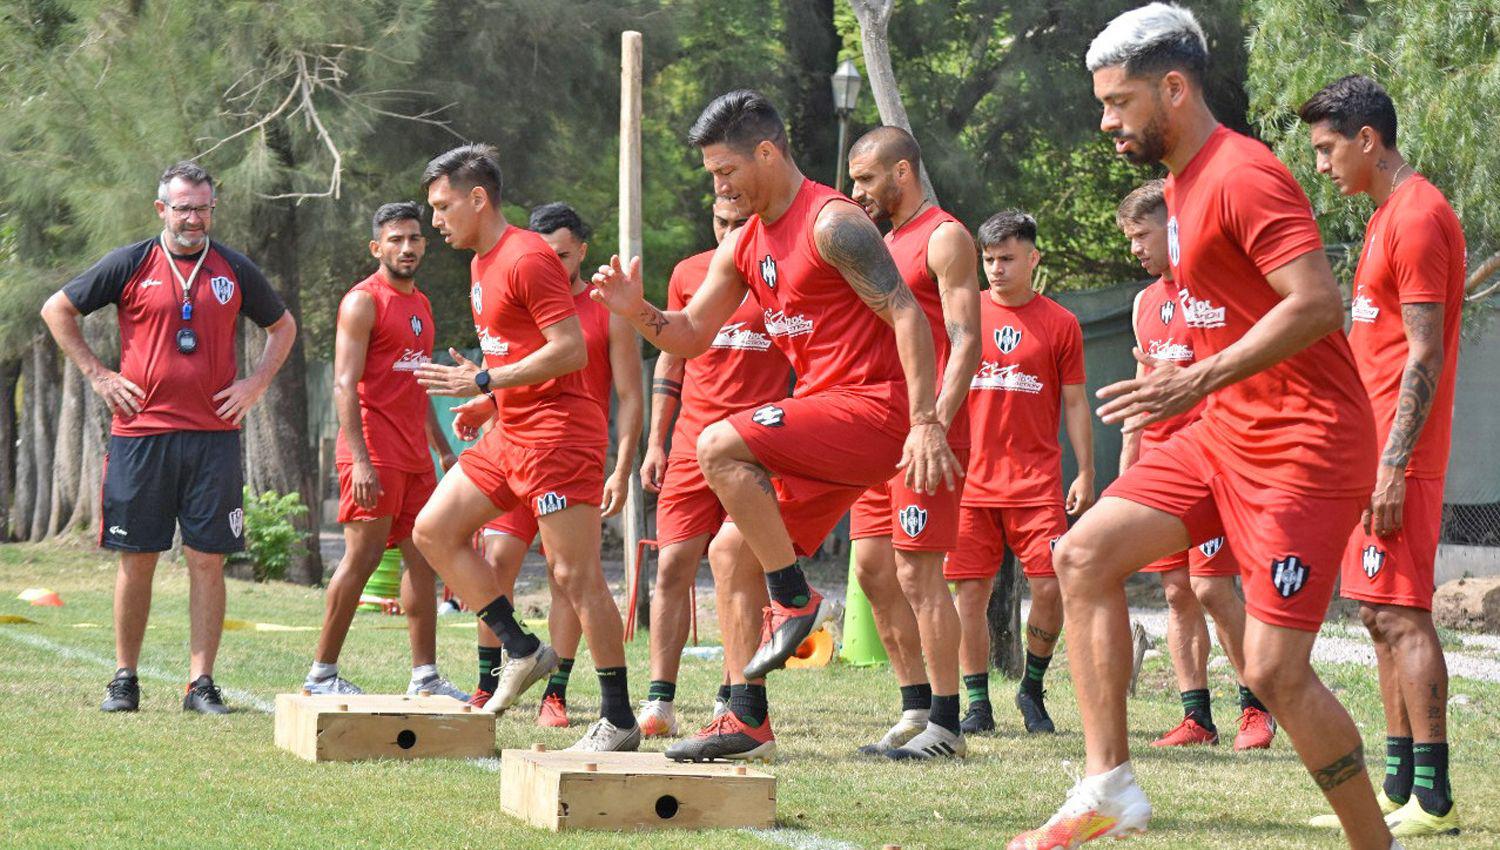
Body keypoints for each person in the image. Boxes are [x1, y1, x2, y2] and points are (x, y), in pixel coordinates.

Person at [1008, 6, 1392, 848]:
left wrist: (1198, 379)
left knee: (1273, 672)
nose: (1107, 122)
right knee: (1081, 553)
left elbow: (1319, 304)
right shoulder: (1178, 185)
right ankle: (1108, 784)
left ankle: (1376, 843)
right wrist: (1192, 389)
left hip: (1305, 447)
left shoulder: (1244, 175)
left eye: (1119, 102)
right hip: (1222, 434)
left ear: (1173, 89)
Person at [590, 90, 960, 762]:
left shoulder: (832, 222)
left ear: (767, 152)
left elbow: (908, 314)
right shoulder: (744, 246)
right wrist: (635, 307)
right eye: (712, 177)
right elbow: (691, 333)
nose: (720, 186)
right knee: (730, 552)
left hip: (878, 411)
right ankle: (746, 719)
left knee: (717, 442)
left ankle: (794, 599)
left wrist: (928, 421)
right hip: (827, 421)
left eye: (726, 171)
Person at [39, 161, 296, 715]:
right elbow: (57, 308)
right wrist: (99, 375)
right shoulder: (131, 262)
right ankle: (124, 678)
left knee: (208, 560)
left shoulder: (232, 267)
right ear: (163, 209)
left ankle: (200, 685)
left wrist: (254, 385)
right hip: (142, 434)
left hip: (213, 438)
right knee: (139, 557)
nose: (194, 217)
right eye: (183, 207)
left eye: (203, 207)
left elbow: (283, 327)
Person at [410, 144, 639, 752]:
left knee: (576, 574)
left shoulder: (528, 256)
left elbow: (570, 350)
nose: (436, 221)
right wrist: (490, 399)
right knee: (433, 529)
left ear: (478, 198)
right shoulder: (481, 263)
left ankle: (618, 718)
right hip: (511, 429)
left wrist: (485, 380)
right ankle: (519, 647)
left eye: (443, 206)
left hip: (559, 434)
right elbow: (521, 352)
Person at [1299, 74, 1464, 838]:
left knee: (1403, 616)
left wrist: (1394, 464)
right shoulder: (1382, 217)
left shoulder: (1421, 216)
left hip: (1403, 459)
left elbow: (1423, 353)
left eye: (1329, 150)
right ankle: (1399, 783)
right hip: (1371, 454)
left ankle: (1432, 798)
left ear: (1369, 140)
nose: (1322, 166)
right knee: (1375, 615)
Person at [468, 202, 644, 729]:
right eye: (544, 254)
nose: (552, 263)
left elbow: (631, 395)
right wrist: (485, 403)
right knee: (495, 559)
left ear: (582, 252)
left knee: (568, 575)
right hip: (512, 445)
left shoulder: (604, 307)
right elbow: (501, 367)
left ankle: (558, 692)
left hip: (568, 452)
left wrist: (623, 467)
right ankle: (488, 679)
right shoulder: (518, 286)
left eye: (563, 255)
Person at [1114, 180, 1274, 751]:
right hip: (1158, 462)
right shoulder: (1143, 302)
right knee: (1177, 592)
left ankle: (1256, 704)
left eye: (1143, 234)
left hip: (1212, 459)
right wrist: (1129, 462)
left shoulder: (1213, 293)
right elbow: (1144, 387)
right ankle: (1196, 717)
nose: (1135, 247)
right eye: (1129, 237)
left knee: (1211, 589)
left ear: (1173, 228)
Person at [845, 126, 980, 760]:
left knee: (919, 573)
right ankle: (914, 707)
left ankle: (947, 728)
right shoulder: (880, 243)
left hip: (925, 436)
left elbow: (967, 340)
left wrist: (934, 425)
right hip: (873, 429)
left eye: (866, 178)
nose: (856, 190)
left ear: (902, 173)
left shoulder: (945, 235)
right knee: (875, 572)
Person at [635, 197, 791, 737]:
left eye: (740, 225)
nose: (730, 234)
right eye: (721, 223)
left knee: (737, 566)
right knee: (672, 565)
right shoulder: (687, 274)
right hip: (688, 445)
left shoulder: (781, 275)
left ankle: (735, 692)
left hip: (755, 450)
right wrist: (656, 442)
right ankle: (659, 700)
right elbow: (671, 356)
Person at [302, 202, 465, 701]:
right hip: (372, 450)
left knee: (425, 559)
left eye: (415, 238)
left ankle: (425, 677)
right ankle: (322, 675)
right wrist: (361, 459)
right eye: (396, 240)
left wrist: (442, 449)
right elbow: (344, 385)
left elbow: (416, 387)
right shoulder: (362, 302)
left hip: (416, 455)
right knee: (363, 558)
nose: (407, 247)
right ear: (377, 247)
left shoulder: (423, 304)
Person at [948, 211, 1094, 737]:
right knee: (968, 595)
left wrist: (1086, 472)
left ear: (1033, 258)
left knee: (1051, 588)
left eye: (1007, 258)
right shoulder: (964, 314)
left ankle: (1031, 688)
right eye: (988, 259)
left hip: (1037, 483)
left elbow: (1076, 403)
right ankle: (977, 702)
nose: (996, 269)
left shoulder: (1060, 323)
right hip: (969, 481)